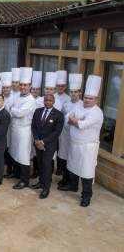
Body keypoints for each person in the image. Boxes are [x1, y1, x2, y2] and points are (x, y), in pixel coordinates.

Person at [62, 75, 104, 207]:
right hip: (75, 144)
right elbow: (67, 118)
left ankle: (86, 196)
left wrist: (75, 121)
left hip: (87, 147)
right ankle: (73, 186)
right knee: (73, 167)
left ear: (96, 100)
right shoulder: (79, 107)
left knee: (86, 173)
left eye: (90, 98)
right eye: (86, 97)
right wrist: (75, 121)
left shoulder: (97, 112)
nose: (87, 100)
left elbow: (82, 124)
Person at [30, 94, 64, 199]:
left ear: (53, 101)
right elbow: (33, 126)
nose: (47, 102)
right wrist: (36, 140)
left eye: (50, 100)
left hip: (49, 145)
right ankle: (40, 182)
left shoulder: (58, 115)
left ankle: (46, 188)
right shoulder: (38, 111)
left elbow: (57, 132)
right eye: (46, 100)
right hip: (37, 143)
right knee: (40, 163)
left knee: (46, 165)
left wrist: (43, 142)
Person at [10, 67, 36, 189]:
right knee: (14, 152)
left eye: (25, 85)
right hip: (15, 129)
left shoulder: (31, 100)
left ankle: (24, 180)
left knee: (23, 155)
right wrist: (14, 110)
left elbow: (19, 113)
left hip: (24, 131)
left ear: (30, 86)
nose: (23, 87)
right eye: (21, 85)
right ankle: (16, 174)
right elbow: (10, 107)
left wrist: (13, 109)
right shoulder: (16, 96)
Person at [57, 73, 83, 188]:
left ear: (80, 93)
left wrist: (72, 121)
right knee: (63, 158)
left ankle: (72, 184)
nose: (73, 94)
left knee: (72, 160)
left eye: (75, 92)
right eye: (72, 92)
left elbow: (78, 122)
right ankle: (65, 179)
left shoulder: (82, 105)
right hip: (64, 135)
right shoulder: (66, 104)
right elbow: (63, 117)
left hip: (75, 137)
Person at [0, 72, 15, 178]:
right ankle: (1, 167)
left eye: (7, 87)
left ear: (10, 88)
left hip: (11, 128)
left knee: (9, 149)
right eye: (4, 87)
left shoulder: (15, 98)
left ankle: (10, 169)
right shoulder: (0, 97)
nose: (5, 89)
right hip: (0, 128)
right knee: (2, 149)